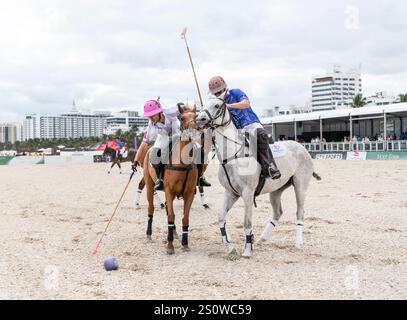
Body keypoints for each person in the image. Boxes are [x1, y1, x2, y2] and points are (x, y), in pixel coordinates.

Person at [208, 76, 281, 179]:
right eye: (215, 94)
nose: (218, 95)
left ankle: (270, 166)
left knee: (262, 136)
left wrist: (229, 106)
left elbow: (246, 104)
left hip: (251, 124)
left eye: (219, 92)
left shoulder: (236, 92)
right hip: (236, 130)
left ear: (225, 88)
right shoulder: (217, 104)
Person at [132, 99, 211, 191]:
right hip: (163, 138)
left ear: (160, 112)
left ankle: (200, 177)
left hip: (179, 135)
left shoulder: (170, 111)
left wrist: (199, 111)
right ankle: (160, 180)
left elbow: (185, 108)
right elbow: (144, 143)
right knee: (154, 156)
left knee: (200, 150)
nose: (151, 119)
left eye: (153, 115)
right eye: (149, 116)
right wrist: (135, 161)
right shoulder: (151, 125)